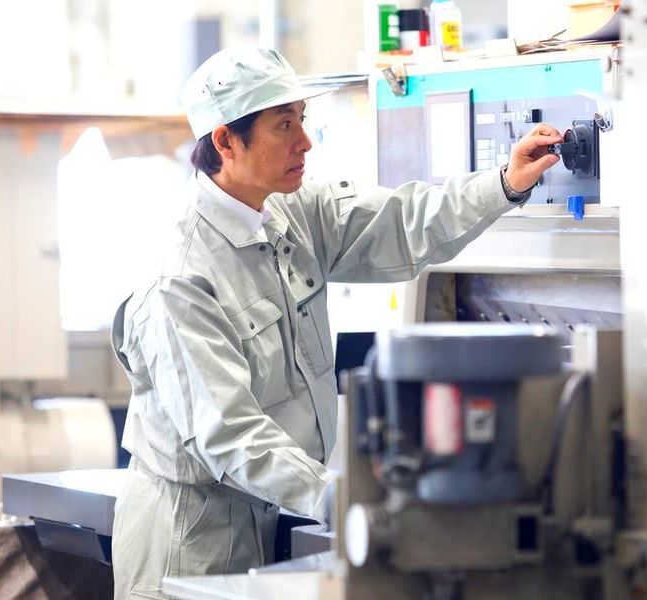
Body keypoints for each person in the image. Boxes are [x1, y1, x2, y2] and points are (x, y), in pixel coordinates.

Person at [110, 46, 562, 598]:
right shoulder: (179, 279)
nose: (305, 141)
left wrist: (505, 182)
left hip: (271, 512)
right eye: (284, 125)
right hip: (189, 542)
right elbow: (228, 435)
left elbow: (403, 223)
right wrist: (346, 497)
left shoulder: (291, 213)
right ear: (225, 141)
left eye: (302, 120)